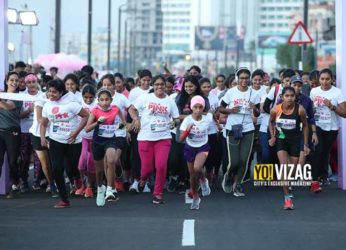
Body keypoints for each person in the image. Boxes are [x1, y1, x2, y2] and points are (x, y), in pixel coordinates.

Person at [129, 75, 180, 204]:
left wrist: (175, 123)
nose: (159, 87)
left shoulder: (170, 101)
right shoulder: (145, 97)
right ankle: (142, 179)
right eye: (156, 84)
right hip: (145, 137)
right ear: (153, 85)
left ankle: (158, 194)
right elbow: (132, 109)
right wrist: (136, 119)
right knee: (147, 169)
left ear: (165, 86)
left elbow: (177, 118)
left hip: (163, 138)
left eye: (162, 84)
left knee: (161, 166)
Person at [40, 79, 89, 208]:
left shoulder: (71, 103)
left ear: (61, 92)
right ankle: (64, 199)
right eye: (49, 91)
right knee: (57, 168)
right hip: (56, 139)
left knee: (72, 167)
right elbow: (44, 123)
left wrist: (76, 132)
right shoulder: (47, 105)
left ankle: (77, 178)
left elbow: (86, 116)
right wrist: (42, 138)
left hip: (73, 141)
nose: (51, 94)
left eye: (54, 92)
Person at [218, 67, 260, 196]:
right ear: (237, 79)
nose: (244, 80)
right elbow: (220, 108)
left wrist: (254, 108)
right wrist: (231, 110)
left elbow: (257, 113)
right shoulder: (231, 92)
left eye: (246, 78)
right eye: (241, 78)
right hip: (232, 129)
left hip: (248, 129)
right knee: (234, 161)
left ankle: (238, 184)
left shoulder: (254, 93)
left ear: (250, 79)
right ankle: (229, 175)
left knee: (244, 160)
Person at [268, 86, 310, 210]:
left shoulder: (300, 110)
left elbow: (306, 126)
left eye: (292, 96)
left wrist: (306, 144)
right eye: (287, 96)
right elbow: (271, 122)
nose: (290, 98)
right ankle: (287, 199)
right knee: (284, 168)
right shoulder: (276, 110)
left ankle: (288, 186)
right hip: (281, 140)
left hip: (295, 141)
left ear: (295, 97)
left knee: (292, 171)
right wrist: (273, 136)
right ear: (282, 97)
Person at [84, 88, 126, 206]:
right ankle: (100, 189)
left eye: (107, 100)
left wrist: (121, 127)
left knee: (111, 160)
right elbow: (87, 128)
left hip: (111, 140)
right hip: (97, 141)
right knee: (99, 171)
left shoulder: (116, 109)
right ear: (98, 101)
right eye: (101, 100)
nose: (104, 102)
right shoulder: (95, 111)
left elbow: (124, 123)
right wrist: (98, 122)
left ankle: (109, 190)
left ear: (111, 100)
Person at [310, 68, 346, 192]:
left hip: (331, 127)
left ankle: (323, 176)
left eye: (327, 79)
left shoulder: (337, 92)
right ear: (319, 79)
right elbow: (310, 109)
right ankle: (314, 181)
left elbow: (344, 113)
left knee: (325, 152)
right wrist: (312, 110)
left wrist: (331, 106)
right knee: (318, 151)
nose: (324, 82)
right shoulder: (314, 91)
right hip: (318, 125)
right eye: (322, 79)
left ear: (332, 80)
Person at [99, 74, 131, 192]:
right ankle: (110, 187)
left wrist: (126, 128)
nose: (106, 87)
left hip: (119, 134)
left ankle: (118, 176)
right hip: (105, 135)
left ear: (114, 85)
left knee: (115, 160)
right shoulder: (100, 98)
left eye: (109, 85)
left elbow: (130, 110)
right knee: (107, 161)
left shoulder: (121, 98)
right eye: (104, 84)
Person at [179, 95, 212, 210]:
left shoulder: (208, 118)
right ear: (191, 108)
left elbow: (214, 120)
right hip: (190, 147)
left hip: (203, 146)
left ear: (203, 108)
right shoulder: (187, 120)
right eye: (195, 107)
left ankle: (203, 180)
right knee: (192, 175)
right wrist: (187, 131)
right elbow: (180, 140)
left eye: (200, 107)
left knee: (197, 168)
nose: (198, 110)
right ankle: (196, 197)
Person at [128, 70, 152, 193]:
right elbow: (131, 109)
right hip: (137, 126)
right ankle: (135, 181)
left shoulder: (154, 90)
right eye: (144, 80)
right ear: (139, 80)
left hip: (151, 128)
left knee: (147, 157)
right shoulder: (134, 92)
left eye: (148, 80)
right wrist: (134, 122)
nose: (146, 83)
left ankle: (145, 181)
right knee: (136, 155)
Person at [19, 73, 43, 193]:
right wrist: (29, 109)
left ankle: (36, 181)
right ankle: (23, 181)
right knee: (24, 158)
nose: (31, 84)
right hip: (24, 130)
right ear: (25, 84)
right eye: (29, 82)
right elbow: (18, 115)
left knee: (38, 157)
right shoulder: (21, 96)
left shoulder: (42, 95)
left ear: (37, 82)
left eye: (33, 81)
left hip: (37, 132)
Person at [0, 72, 23, 198]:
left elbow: (8, 107)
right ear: (7, 81)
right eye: (12, 80)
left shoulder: (19, 97)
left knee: (13, 161)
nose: (14, 82)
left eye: (16, 80)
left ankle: (15, 185)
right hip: (0, 131)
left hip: (12, 131)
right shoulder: (2, 94)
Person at [75, 85, 97, 197]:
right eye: (85, 97)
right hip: (82, 137)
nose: (88, 100)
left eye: (91, 97)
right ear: (82, 96)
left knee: (91, 162)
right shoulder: (78, 103)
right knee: (81, 161)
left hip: (94, 137)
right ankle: (81, 184)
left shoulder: (98, 104)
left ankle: (89, 186)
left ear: (94, 96)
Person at [199, 77, 222, 185]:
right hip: (199, 131)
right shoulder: (197, 98)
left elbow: (217, 114)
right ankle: (200, 177)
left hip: (212, 130)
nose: (207, 89)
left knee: (212, 154)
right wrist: (207, 113)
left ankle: (209, 172)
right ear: (200, 88)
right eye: (204, 87)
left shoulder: (214, 98)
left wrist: (215, 115)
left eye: (208, 87)